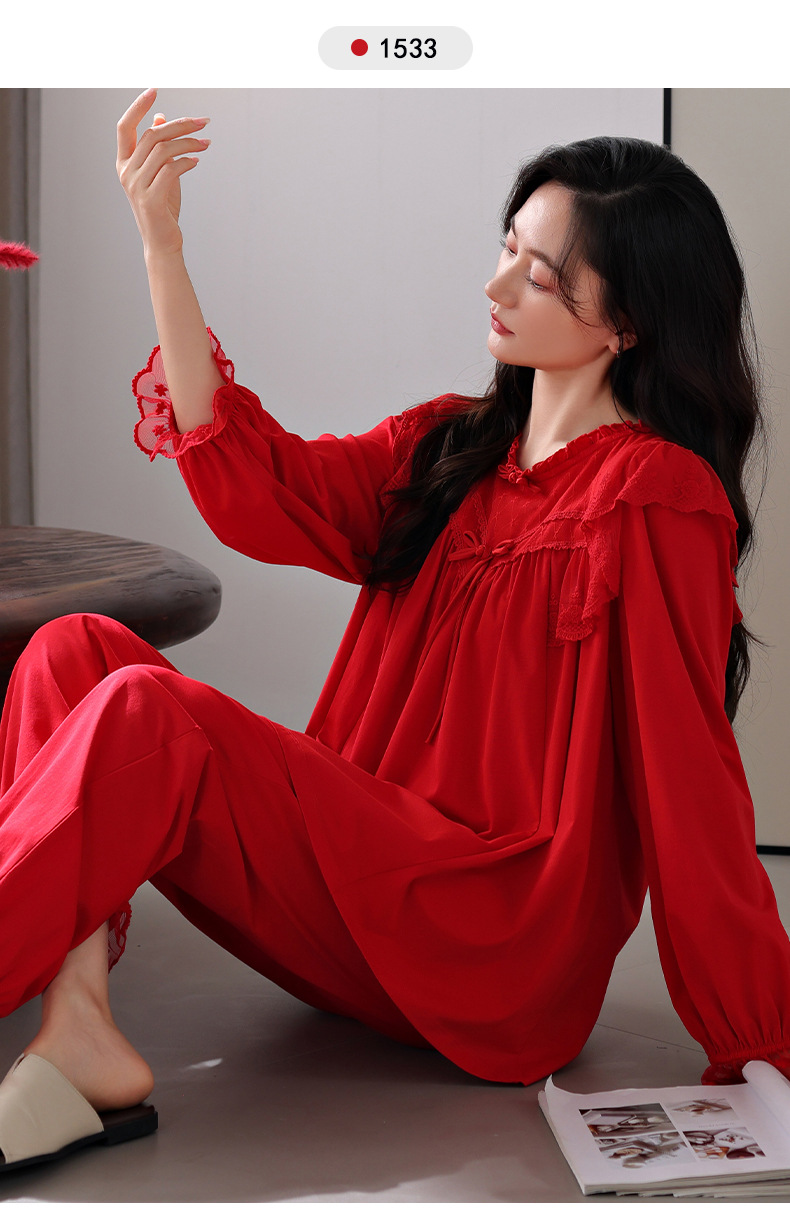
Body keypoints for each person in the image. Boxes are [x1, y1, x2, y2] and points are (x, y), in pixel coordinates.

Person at [1, 86, 790, 1174]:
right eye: (506, 248)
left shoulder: (653, 497)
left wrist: (758, 1043)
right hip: (354, 892)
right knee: (72, 650)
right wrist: (161, 247)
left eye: (540, 275)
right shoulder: (450, 450)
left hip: (490, 945)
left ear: (628, 323)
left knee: (144, 710)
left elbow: (687, 773)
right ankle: (77, 1024)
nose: (496, 284)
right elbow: (262, 487)